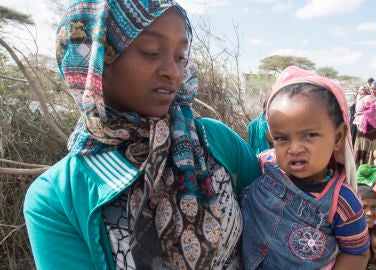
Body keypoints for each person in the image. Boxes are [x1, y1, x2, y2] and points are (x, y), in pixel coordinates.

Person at [23, 1, 261, 269]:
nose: (173, 71)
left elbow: (278, 226)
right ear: (94, 58)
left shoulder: (217, 142)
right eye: (150, 52)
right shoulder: (56, 198)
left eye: (181, 56)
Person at [241, 66, 369, 269]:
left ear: (337, 138)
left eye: (309, 135)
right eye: (282, 138)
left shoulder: (342, 201)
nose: (295, 148)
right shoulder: (263, 166)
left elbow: (358, 252)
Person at [353, 81, 376, 166]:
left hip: (373, 127)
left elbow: (373, 111)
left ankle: (371, 166)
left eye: (375, 89)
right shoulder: (367, 97)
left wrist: (360, 113)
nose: (372, 90)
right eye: (371, 88)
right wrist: (360, 112)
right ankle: (359, 166)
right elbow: (359, 108)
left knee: (373, 148)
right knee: (361, 146)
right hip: (362, 127)